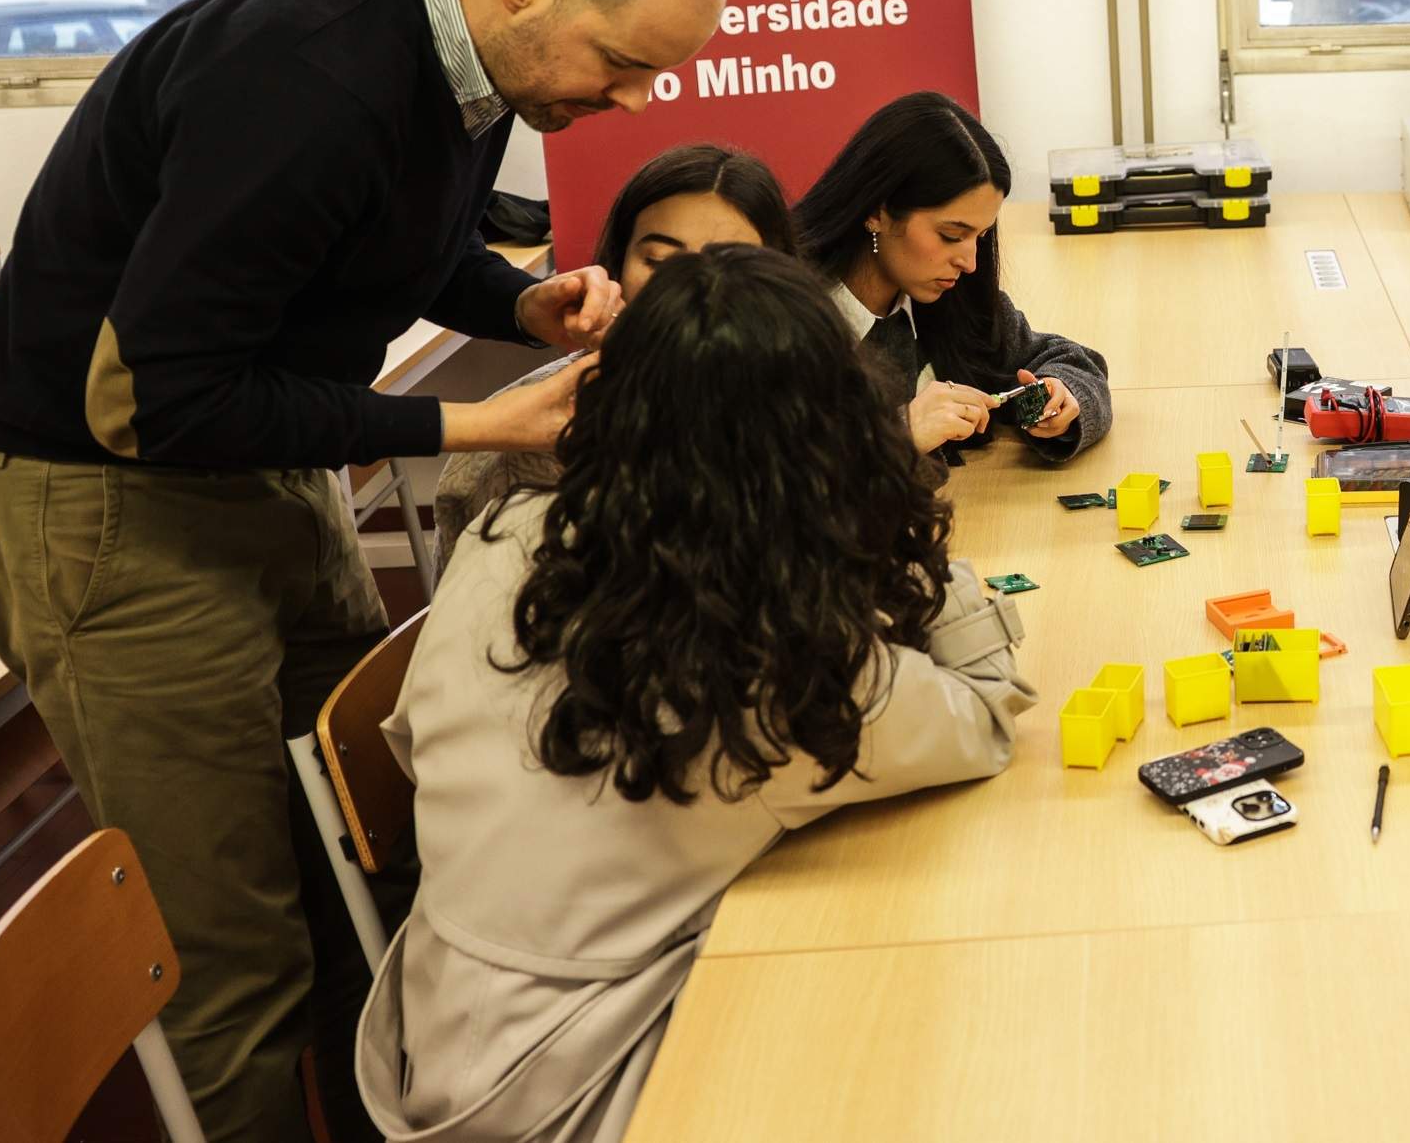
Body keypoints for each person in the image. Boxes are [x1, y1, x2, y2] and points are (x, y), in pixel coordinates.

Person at [0, 0, 722, 1143]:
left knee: (369, 846)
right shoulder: (308, 73)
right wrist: (467, 418)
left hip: (253, 463)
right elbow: (155, 397)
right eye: (625, 63)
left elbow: (382, 241)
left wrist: (513, 300)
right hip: (104, 497)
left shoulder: (459, 58)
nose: (639, 101)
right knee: (231, 951)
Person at [355, 245, 1032, 1143]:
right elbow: (982, 712)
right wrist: (886, 508)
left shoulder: (508, 533)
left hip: (429, 1050)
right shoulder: (772, 650)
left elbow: (414, 744)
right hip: (589, 1091)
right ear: (826, 438)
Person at [430, 142, 797, 558]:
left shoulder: (823, 412)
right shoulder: (529, 452)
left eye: (730, 262)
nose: (693, 287)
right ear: (617, 265)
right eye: (658, 261)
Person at [790, 91, 1110, 463]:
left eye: (982, 236)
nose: (970, 262)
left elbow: (1072, 361)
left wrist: (1064, 397)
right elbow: (761, 486)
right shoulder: (780, 321)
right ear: (877, 213)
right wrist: (897, 435)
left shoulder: (947, 299)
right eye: (951, 235)